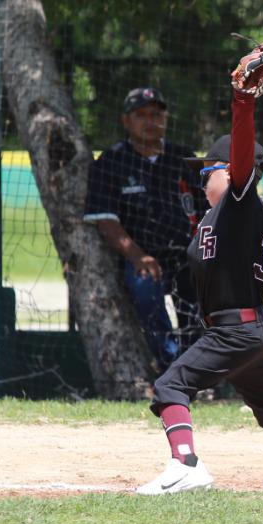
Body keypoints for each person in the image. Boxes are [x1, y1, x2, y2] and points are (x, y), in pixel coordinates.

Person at [135, 36, 263, 494]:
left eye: (208, 170)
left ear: (230, 173)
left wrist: (242, 101)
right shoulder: (219, 215)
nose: (201, 175)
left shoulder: (241, 204)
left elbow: (243, 162)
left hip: (237, 330)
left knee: (171, 386)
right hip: (246, 330)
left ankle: (186, 465)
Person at [83, 85, 202, 370]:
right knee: (146, 293)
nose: (150, 121)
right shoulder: (112, 162)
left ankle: (200, 372)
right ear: (126, 121)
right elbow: (106, 220)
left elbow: (208, 210)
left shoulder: (185, 159)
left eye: (156, 114)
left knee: (202, 304)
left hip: (187, 256)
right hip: (143, 258)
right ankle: (171, 365)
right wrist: (137, 256)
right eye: (141, 115)